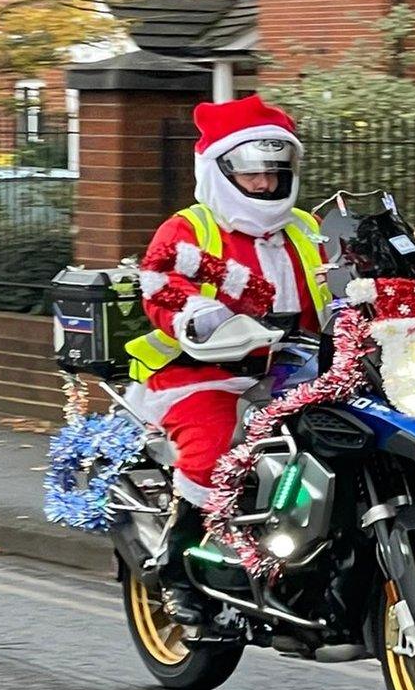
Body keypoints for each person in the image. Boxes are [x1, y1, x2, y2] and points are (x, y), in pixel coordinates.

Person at [127, 95, 331, 624]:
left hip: (298, 369)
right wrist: (197, 315)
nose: (265, 185)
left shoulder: (307, 230)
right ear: (220, 169)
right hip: (203, 373)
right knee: (216, 445)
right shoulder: (191, 229)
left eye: (275, 173)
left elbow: (350, 279)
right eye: (252, 173)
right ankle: (177, 563)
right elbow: (160, 285)